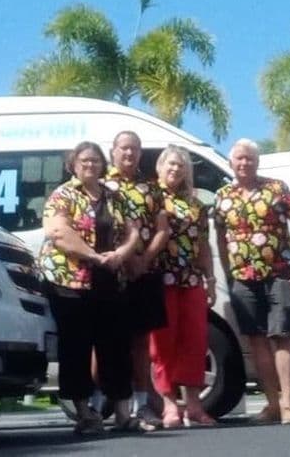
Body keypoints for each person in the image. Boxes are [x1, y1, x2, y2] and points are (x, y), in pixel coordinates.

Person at [38, 141, 141, 434]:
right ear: (73, 164)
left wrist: (121, 253)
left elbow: (133, 231)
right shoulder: (63, 195)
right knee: (77, 347)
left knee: (117, 346)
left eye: (95, 160)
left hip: (110, 280)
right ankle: (86, 414)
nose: (90, 165)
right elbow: (58, 232)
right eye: (84, 160)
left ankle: (123, 414)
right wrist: (94, 256)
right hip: (71, 282)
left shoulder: (114, 196)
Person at [213, 138, 290, 425]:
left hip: (278, 273)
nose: (244, 163)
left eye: (250, 159)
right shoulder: (222, 197)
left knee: (282, 336)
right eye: (239, 159)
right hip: (243, 278)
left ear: (258, 162)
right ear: (231, 163)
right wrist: (229, 271)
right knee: (256, 343)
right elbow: (220, 236)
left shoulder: (276, 189)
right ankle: (272, 404)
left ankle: (289, 403)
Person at [104, 130, 169, 429]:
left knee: (142, 342)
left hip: (146, 272)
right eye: (124, 149)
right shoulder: (103, 187)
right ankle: (98, 404)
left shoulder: (152, 189)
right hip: (112, 273)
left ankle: (142, 405)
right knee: (106, 342)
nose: (130, 154)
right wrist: (127, 259)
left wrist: (144, 260)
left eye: (135, 149)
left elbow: (162, 230)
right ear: (113, 151)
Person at [148, 145, 217, 428]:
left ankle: (194, 406)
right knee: (163, 345)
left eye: (181, 166)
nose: (175, 170)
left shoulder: (196, 203)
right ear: (160, 167)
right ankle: (168, 405)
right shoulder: (149, 197)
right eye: (171, 164)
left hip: (190, 280)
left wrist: (210, 280)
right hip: (160, 278)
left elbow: (203, 246)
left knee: (194, 342)